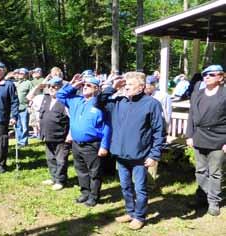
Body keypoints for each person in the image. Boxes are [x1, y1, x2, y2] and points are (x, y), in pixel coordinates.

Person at [97, 72, 165, 230]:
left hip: (140, 156)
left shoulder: (151, 103)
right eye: (125, 84)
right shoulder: (119, 102)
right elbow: (98, 102)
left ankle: (139, 216)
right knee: (125, 186)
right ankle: (130, 211)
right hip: (120, 154)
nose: (126, 87)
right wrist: (111, 88)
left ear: (141, 87)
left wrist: (155, 154)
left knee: (140, 188)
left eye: (130, 85)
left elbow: (159, 131)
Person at [56, 74, 110, 207]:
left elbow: (107, 127)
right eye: (84, 85)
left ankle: (94, 196)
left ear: (97, 89)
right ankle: (85, 192)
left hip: (92, 144)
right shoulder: (76, 100)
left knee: (94, 172)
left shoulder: (100, 104)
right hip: (76, 144)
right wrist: (72, 85)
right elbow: (60, 96)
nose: (85, 87)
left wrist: (104, 146)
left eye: (89, 85)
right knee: (80, 170)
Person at [186, 64, 226, 216]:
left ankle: (213, 202)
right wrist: (189, 135)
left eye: (211, 74)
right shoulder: (198, 92)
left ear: (221, 77)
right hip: (199, 137)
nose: (207, 77)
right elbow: (192, 115)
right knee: (200, 171)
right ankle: (202, 198)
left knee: (215, 173)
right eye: (205, 75)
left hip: (219, 138)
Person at [27, 76, 70, 190]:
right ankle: (54, 177)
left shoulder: (66, 101)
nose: (52, 88)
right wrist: (39, 86)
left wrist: (69, 135)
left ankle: (61, 180)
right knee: (50, 158)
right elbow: (29, 97)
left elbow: (72, 119)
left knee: (61, 159)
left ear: (61, 88)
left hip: (61, 136)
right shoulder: (44, 98)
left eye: (55, 87)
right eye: (50, 86)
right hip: (47, 134)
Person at [15, 68, 33, 147]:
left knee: (24, 126)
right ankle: (19, 141)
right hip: (15, 108)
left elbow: (32, 94)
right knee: (17, 126)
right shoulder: (15, 83)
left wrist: (29, 105)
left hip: (24, 107)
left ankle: (23, 142)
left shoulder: (28, 83)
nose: (20, 75)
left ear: (26, 74)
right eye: (19, 73)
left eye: (22, 73)